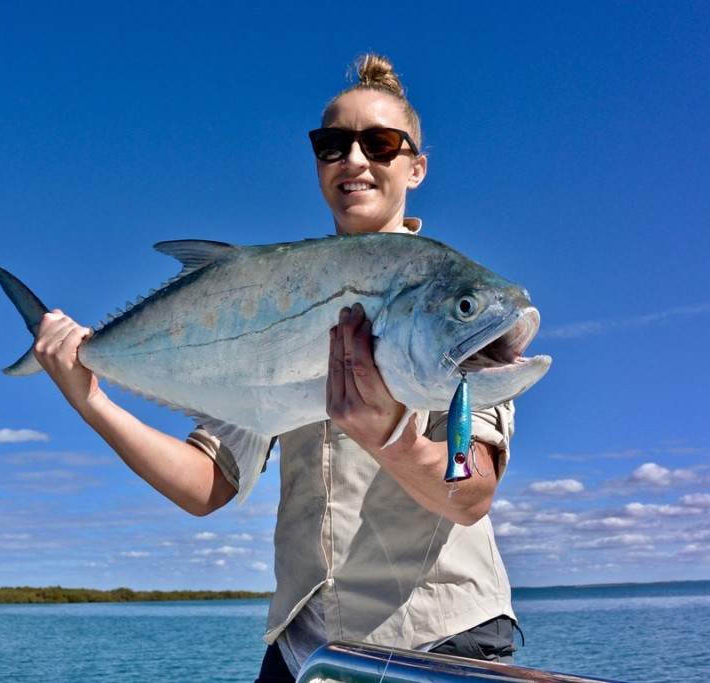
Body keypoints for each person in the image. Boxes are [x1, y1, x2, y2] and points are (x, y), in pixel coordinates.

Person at [32, 54, 519, 682]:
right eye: (332, 144)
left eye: (380, 143)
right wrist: (89, 396)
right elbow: (207, 484)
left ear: (416, 166)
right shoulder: (259, 304)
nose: (355, 159)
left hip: (435, 641)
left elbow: (470, 492)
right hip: (304, 646)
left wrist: (389, 438)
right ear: (317, 163)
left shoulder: (452, 303)